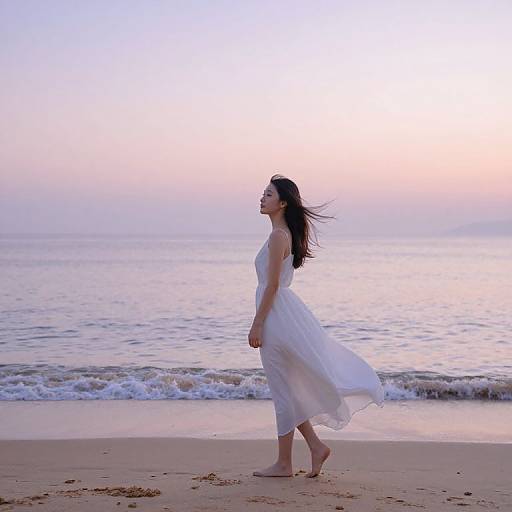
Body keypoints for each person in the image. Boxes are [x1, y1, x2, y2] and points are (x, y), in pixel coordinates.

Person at [248, 174, 385, 478]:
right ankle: (315, 447)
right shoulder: (284, 235)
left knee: (282, 390)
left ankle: (284, 464)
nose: (262, 198)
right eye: (263, 193)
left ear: (282, 202)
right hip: (285, 315)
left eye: (268, 194)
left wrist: (257, 324)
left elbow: (271, 286)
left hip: (276, 317)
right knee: (288, 388)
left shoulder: (277, 237)